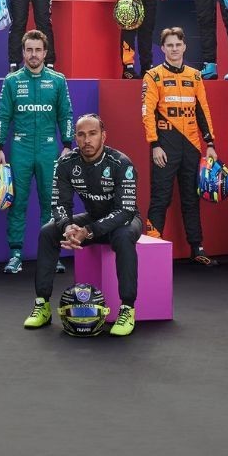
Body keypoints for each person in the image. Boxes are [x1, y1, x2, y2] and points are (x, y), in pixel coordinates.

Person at [22, 115, 141, 336]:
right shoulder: (66, 163)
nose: (87, 140)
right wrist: (68, 227)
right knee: (48, 232)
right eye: (81, 135)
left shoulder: (121, 163)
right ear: (75, 138)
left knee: (124, 236)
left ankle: (127, 308)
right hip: (92, 219)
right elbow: (60, 204)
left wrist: (89, 231)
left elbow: (125, 210)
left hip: (124, 220)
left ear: (103, 136)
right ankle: (42, 305)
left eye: (92, 134)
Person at [0, 30, 73, 274]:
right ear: (23, 52)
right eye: (29, 50)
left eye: (38, 50)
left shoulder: (58, 80)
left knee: (51, 204)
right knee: (17, 203)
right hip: (21, 148)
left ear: (45, 52)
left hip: (49, 149)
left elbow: (66, 115)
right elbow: (2, 115)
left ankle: (51, 256)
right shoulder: (12, 81)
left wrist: (67, 145)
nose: (33, 54)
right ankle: (15, 255)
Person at [142, 27, 219, 266]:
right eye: (170, 45)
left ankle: (197, 248)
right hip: (165, 146)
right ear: (163, 48)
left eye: (178, 45)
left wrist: (210, 143)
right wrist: (154, 144)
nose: (174, 49)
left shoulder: (195, 76)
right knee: (160, 198)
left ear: (184, 46)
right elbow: (147, 113)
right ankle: (151, 248)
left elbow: (202, 110)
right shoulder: (153, 76)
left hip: (192, 146)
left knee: (191, 199)